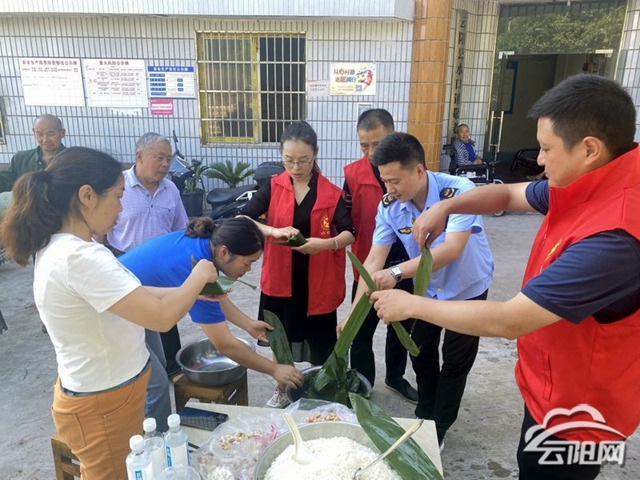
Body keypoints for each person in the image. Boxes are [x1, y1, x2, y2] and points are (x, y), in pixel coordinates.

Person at [371, 75, 640, 480]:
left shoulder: (613, 239)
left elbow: (510, 320)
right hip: (552, 384)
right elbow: (510, 194)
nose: (540, 160)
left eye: (546, 149)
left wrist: (410, 304)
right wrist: (445, 208)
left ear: (589, 149)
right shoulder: (589, 182)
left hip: (578, 412)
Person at [0, 147, 217, 479]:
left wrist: (189, 291)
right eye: (117, 196)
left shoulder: (71, 248)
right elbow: (161, 317)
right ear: (87, 196)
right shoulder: (80, 258)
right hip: (102, 405)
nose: (121, 207)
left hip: (106, 396)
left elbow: (131, 294)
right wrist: (199, 274)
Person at [339, 131, 494, 450]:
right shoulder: (390, 207)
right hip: (428, 290)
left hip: (467, 289)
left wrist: (396, 273)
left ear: (419, 170)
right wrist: (352, 315)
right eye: (384, 181)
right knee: (420, 351)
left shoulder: (459, 192)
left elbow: (451, 249)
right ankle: (426, 412)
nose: (389, 189)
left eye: (395, 181)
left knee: (455, 362)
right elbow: (374, 260)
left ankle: (439, 426)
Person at [119, 216, 303, 418]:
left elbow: (213, 297)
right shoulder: (195, 267)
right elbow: (224, 344)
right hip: (118, 310)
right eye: (248, 263)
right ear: (224, 252)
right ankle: (158, 436)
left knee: (157, 367)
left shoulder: (208, 245)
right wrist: (274, 369)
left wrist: (248, 324)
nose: (248, 270)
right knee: (155, 385)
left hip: (139, 302)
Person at [241, 120, 356, 408]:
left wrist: (326, 244)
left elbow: (349, 232)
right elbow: (243, 218)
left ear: (315, 153)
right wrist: (273, 230)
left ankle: (321, 390)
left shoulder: (330, 193)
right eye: (289, 160)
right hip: (281, 281)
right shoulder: (273, 186)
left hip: (317, 283)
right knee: (280, 339)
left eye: (304, 160)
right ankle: (282, 389)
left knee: (322, 342)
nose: (296, 167)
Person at [105, 132, 189, 430]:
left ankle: (169, 373)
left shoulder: (171, 190)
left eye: (168, 158)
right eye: (159, 158)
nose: (165, 164)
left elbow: (181, 228)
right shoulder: (118, 188)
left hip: (160, 272)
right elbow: (101, 234)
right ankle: (152, 416)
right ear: (139, 156)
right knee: (136, 341)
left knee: (164, 327)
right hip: (124, 267)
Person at [342, 108, 418, 403]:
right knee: (360, 328)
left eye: (378, 143)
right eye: (365, 145)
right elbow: (346, 221)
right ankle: (362, 383)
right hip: (369, 263)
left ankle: (395, 377)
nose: (372, 152)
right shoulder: (352, 174)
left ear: (393, 135)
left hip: (406, 264)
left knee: (401, 326)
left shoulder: (409, 167)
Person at [0, 114, 66, 193]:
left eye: (51, 134)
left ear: (62, 133)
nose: (45, 140)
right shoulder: (21, 159)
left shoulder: (73, 159)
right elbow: (4, 181)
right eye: (40, 134)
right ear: (34, 132)